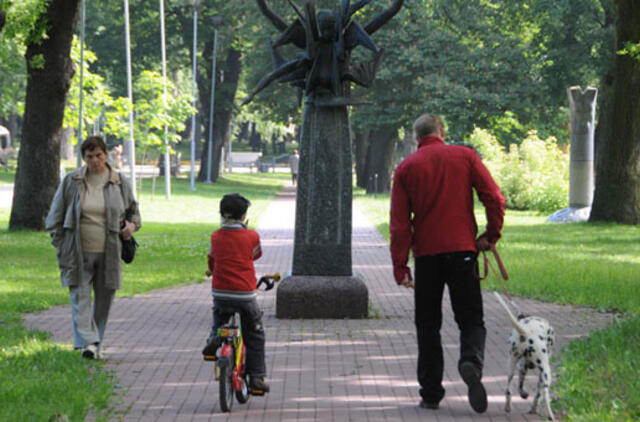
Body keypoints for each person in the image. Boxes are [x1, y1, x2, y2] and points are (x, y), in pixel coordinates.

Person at [389, 114, 505, 413]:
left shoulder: (406, 168)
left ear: (417, 137)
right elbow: (494, 197)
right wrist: (491, 235)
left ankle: (430, 393)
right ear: (442, 131)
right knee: (471, 318)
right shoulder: (465, 156)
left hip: (427, 256)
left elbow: (400, 225)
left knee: (427, 325)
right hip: (462, 251)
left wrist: (400, 267)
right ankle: (471, 361)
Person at [46, 136, 140, 359]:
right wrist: (60, 243)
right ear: (84, 158)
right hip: (77, 251)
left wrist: (131, 227)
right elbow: (54, 217)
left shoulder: (119, 182)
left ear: (106, 155)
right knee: (80, 299)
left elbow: (134, 213)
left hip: (109, 251)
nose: (95, 160)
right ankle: (89, 341)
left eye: (99, 155)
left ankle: (91, 347)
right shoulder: (72, 181)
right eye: (90, 156)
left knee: (103, 302)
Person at [201, 193, 270, 395]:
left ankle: (214, 338)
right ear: (244, 216)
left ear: (221, 214)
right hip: (245, 294)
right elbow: (256, 254)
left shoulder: (216, 236)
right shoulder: (251, 236)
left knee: (219, 315)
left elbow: (212, 260)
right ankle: (256, 377)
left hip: (221, 291)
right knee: (255, 333)